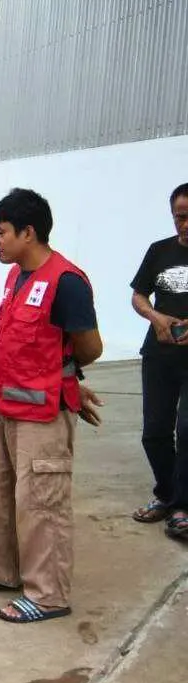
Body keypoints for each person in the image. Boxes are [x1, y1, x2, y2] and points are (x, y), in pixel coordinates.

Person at [0, 188, 103, 624]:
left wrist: (66, 376)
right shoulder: (17, 276)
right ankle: (5, 572)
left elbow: (89, 347)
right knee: (0, 496)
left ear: (28, 232)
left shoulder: (66, 282)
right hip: (5, 406)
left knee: (42, 503)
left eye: (1, 232)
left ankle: (48, 595)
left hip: (43, 415)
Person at [130, 183, 188, 539]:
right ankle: (168, 495)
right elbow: (138, 295)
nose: (186, 224)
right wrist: (156, 317)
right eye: (180, 217)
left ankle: (181, 507)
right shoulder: (158, 251)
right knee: (154, 433)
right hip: (159, 355)